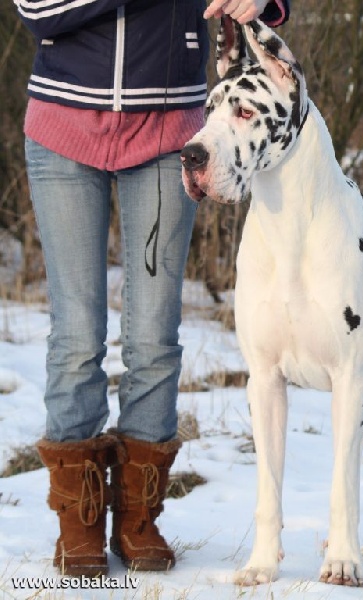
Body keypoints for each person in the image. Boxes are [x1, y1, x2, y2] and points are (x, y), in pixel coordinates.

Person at [15, 0, 290, 577]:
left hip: (168, 129)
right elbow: (37, 9)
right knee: (75, 334)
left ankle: (139, 518)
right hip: (64, 124)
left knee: (154, 337)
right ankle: (78, 521)